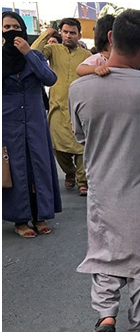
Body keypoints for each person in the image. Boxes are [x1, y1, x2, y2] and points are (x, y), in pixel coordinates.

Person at [69, 9, 140, 332]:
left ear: (110, 38)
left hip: (102, 185)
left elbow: (80, 136)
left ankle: (106, 312)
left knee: (104, 249)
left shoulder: (80, 88)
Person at [2, 11, 61, 238]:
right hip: (8, 124)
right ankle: (20, 220)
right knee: (16, 170)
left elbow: (50, 79)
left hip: (35, 121)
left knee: (39, 166)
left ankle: (40, 215)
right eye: (6, 28)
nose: (10, 31)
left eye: (15, 27)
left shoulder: (35, 55)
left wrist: (28, 53)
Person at [32, 18, 92, 196]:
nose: (68, 36)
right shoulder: (53, 50)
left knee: (82, 147)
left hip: (80, 107)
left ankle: (82, 181)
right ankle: (69, 172)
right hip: (57, 108)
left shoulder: (86, 56)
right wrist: (46, 34)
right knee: (59, 147)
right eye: (65, 32)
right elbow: (33, 53)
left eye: (72, 33)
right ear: (60, 33)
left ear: (79, 35)